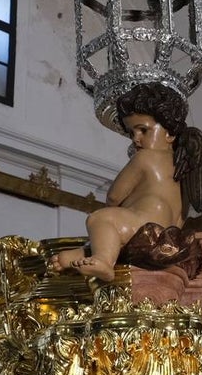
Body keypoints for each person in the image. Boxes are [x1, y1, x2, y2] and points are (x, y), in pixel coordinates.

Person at [51, 83, 189, 282]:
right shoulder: (184, 171)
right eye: (132, 133)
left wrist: (118, 209)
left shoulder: (145, 157)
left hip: (143, 228)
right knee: (103, 240)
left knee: (100, 219)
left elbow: (114, 196)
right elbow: (181, 216)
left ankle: (104, 261)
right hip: (166, 238)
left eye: (143, 130)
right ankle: (83, 255)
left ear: (170, 133)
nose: (136, 139)